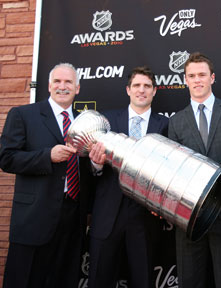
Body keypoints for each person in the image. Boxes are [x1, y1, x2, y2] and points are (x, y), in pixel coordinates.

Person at [0, 63, 94, 288]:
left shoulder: (86, 123)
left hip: (73, 218)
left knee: (65, 280)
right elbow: (6, 158)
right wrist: (46, 157)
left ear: (78, 88)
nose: (63, 87)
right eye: (58, 82)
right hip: (34, 218)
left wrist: (96, 164)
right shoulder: (23, 114)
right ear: (49, 85)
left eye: (69, 82)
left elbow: (90, 173)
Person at [168, 52, 221, 288]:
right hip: (188, 215)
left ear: (212, 78)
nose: (197, 80)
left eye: (202, 75)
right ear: (185, 80)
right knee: (190, 280)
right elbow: (172, 170)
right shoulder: (176, 121)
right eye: (192, 76)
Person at [88, 66, 168, 288]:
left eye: (147, 86)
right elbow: (94, 171)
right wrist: (95, 163)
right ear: (128, 90)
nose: (141, 90)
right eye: (137, 86)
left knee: (142, 280)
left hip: (145, 216)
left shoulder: (165, 125)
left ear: (154, 91)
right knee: (99, 279)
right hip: (107, 214)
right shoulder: (107, 121)